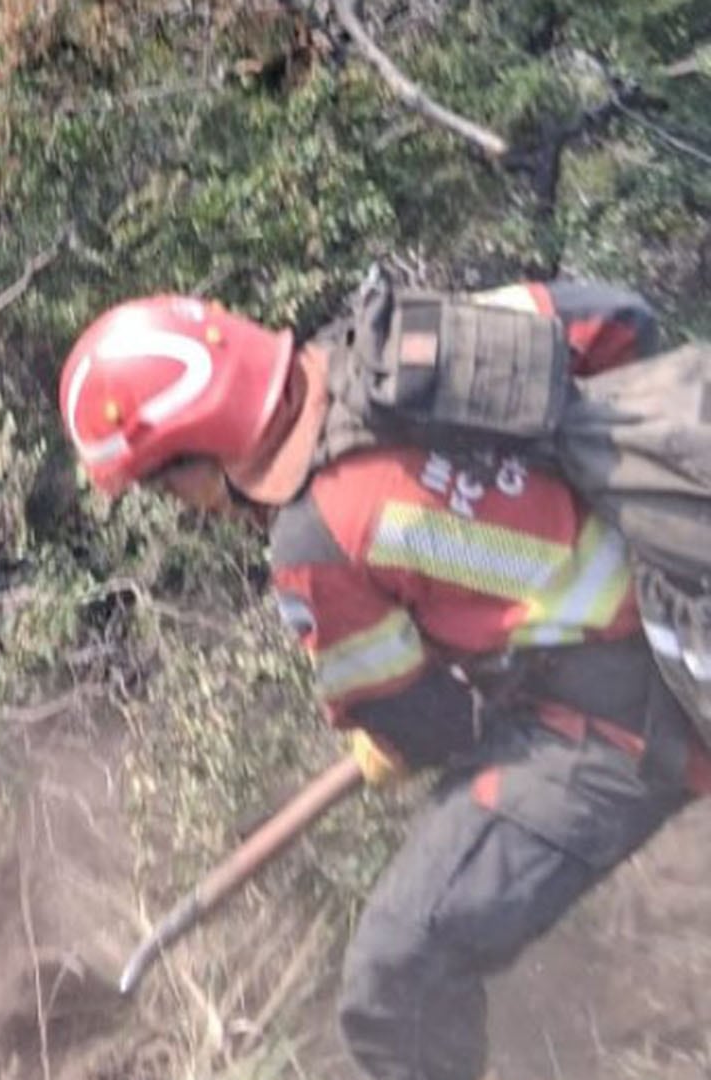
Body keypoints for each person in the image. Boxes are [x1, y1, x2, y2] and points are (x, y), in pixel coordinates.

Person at [56, 281, 707, 1080]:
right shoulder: (401, 344)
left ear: (206, 449)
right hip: (685, 572)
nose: (180, 506)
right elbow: (617, 320)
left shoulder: (313, 545)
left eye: (165, 483)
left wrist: (388, 738)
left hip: (621, 718)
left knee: (399, 977)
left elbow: (427, 724)